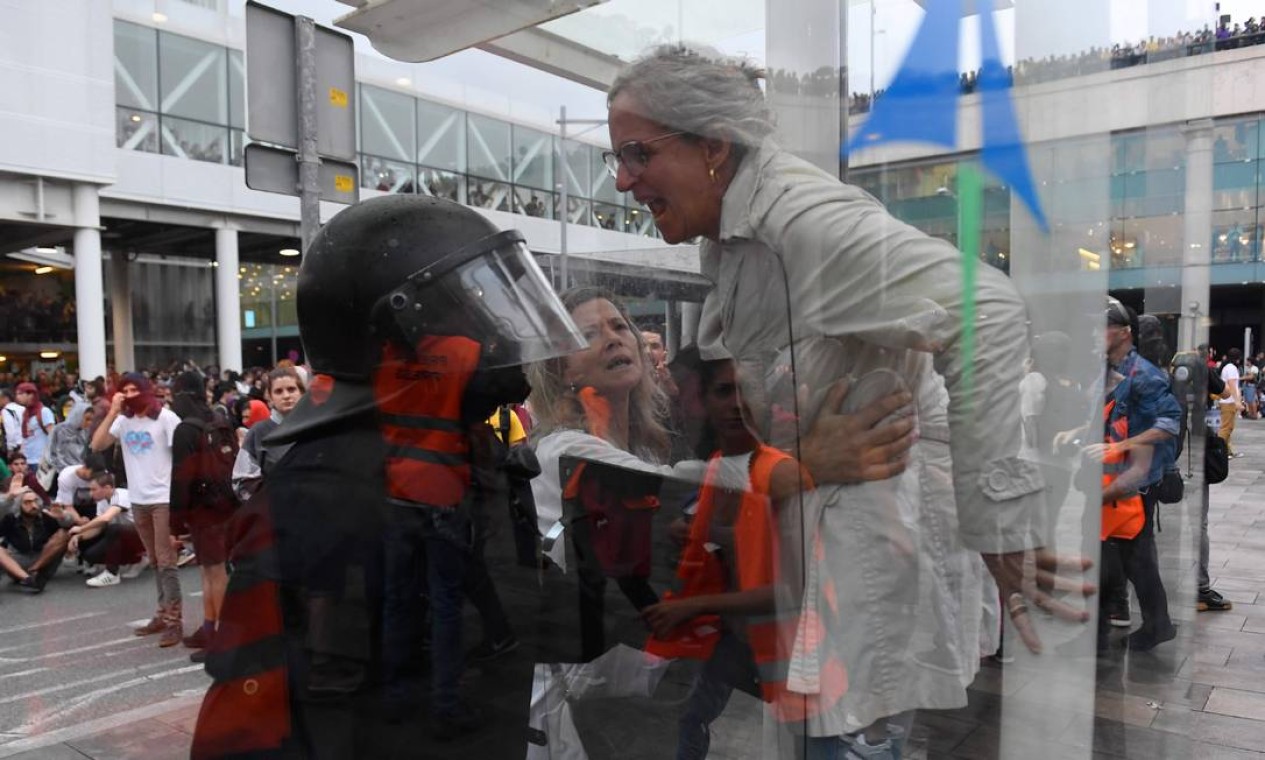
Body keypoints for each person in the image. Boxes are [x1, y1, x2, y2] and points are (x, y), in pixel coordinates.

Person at [605, 45, 1089, 756]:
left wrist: (997, 527)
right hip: (809, 582)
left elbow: (982, 309)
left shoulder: (799, 220)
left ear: (711, 146)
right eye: (617, 159)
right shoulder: (737, 237)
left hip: (850, 593)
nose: (622, 181)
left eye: (637, 155)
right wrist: (796, 459)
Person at [192, 195, 589, 758]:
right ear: (402, 333)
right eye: (472, 307)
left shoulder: (472, 450)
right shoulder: (319, 489)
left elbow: (523, 609)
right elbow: (243, 728)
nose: (498, 331)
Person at [90, 372, 185, 646]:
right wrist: (112, 412)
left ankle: (174, 622)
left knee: (167, 561)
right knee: (155, 560)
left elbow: (182, 457)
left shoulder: (165, 418)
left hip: (164, 499)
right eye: (125, 390)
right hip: (138, 498)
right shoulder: (123, 420)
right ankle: (161, 613)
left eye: (135, 389)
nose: (130, 394)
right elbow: (97, 445)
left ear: (146, 390)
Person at [169, 370, 237, 662]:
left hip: (202, 508)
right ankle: (211, 628)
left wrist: (175, 520)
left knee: (214, 572)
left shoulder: (185, 429)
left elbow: (181, 478)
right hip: (225, 503)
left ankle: (222, 637)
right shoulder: (219, 419)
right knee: (211, 569)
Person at [231, 366, 304, 502]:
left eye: (291, 389)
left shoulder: (315, 427)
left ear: (302, 393)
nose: (286, 396)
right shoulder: (258, 432)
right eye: (278, 391)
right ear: (269, 397)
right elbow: (241, 481)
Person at [66, 471, 146, 588]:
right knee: (90, 555)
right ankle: (137, 560)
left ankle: (112, 574)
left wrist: (81, 528)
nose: (91, 493)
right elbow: (98, 527)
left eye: (94, 489)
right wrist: (79, 536)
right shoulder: (102, 501)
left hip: (145, 536)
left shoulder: (120, 495)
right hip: (129, 537)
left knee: (114, 529)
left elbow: (106, 518)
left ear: (107, 488)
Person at [0, 488, 68, 592]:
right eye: (27, 502)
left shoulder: (46, 516)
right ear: (19, 506)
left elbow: (69, 527)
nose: (33, 505)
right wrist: (9, 498)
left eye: (35, 501)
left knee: (63, 534)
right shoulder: (10, 519)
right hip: (17, 563)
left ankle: (34, 571)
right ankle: (28, 579)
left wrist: (62, 518)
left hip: (41, 561)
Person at [14, 382, 55, 467]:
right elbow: (25, 437)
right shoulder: (25, 413)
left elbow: (53, 435)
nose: (18, 397)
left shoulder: (44, 411)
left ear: (31, 394)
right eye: (17, 394)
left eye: (21, 394)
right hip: (27, 460)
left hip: (41, 460)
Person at [1218, 347, 1244, 457]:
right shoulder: (1232, 368)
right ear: (1238, 358)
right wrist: (1238, 401)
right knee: (1226, 428)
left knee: (1228, 427)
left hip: (1226, 401)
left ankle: (1228, 451)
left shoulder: (1226, 367)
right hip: (1228, 401)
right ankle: (1220, 452)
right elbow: (1233, 386)